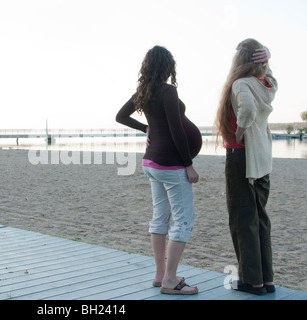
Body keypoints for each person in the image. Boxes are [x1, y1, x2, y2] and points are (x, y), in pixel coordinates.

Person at [116, 45, 202, 295]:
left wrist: (146, 129)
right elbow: (176, 130)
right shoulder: (167, 91)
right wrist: (189, 165)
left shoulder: (144, 91)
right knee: (183, 220)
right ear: (168, 66)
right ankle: (171, 280)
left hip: (151, 163)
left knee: (160, 218)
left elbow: (120, 116)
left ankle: (160, 275)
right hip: (171, 164)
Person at [215, 38, 278, 295]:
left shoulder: (240, 83)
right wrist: (268, 59)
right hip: (262, 159)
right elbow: (269, 78)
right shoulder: (267, 84)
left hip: (241, 157)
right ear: (260, 61)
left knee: (243, 219)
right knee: (260, 218)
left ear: (238, 61)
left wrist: (240, 130)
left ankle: (252, 281)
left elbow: (248, 109)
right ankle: (266, 280)